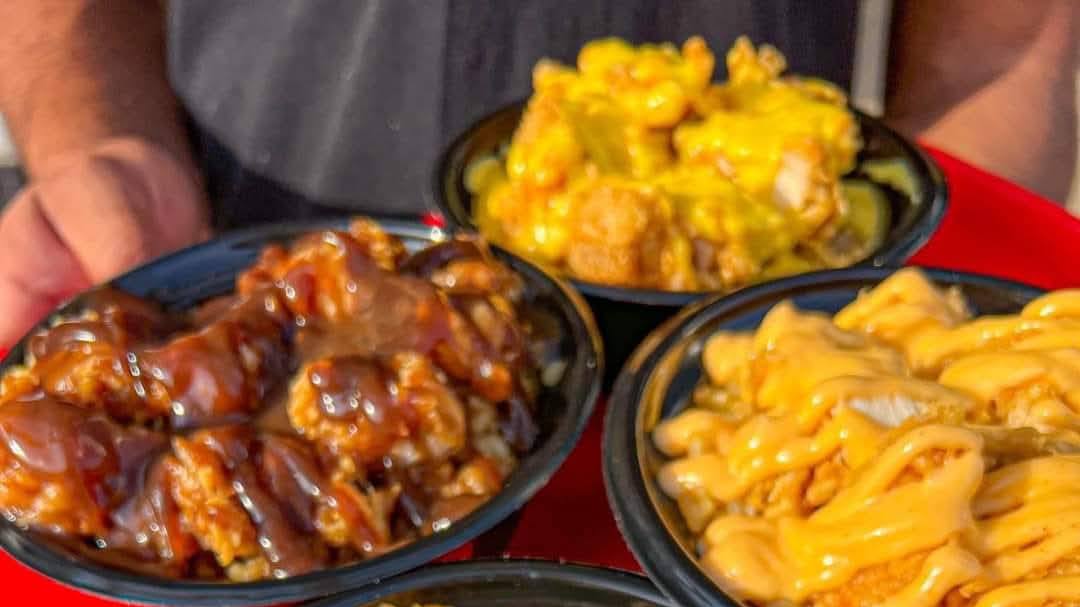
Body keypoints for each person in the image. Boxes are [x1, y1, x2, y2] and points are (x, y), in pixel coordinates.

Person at [0, 0, 1074, 349]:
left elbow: (1006, 39)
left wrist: (914, 336)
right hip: (238, 267)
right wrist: (101, 143)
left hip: (755, 332)